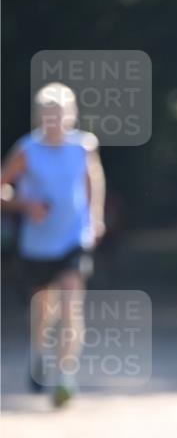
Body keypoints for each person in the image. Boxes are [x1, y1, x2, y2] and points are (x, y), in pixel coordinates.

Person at [0, 82, 106, 407]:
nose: (55, 123)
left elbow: (94, 181)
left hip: (74, 238)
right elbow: (3, 188)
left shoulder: (85, 146)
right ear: (39, 118)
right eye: (48, 117)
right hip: (38, 244)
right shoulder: (26, 149)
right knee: (43, 309)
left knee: (71, 305)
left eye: (60, 116)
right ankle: (38, 353)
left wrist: (95, 218)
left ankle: (65, 376)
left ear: (72, 116)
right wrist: (25, 206)